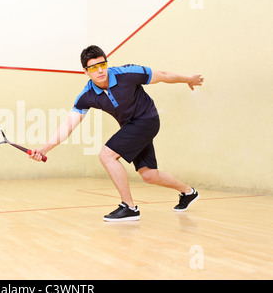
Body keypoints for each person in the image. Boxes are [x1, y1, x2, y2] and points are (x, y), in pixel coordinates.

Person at [29, 45, 203, 221]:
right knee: (149, 175)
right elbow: (68, 126)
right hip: (131, 127)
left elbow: (163, 75)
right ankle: (188, 192)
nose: (100, 70)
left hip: (147, 119)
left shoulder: (127, 73)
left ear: (106, 63)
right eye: (93, 68)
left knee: (106, 155)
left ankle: (129, 207)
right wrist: (44, 149)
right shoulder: (87, 95)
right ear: (85, 71)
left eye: (102, 65)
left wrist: (188, 79)